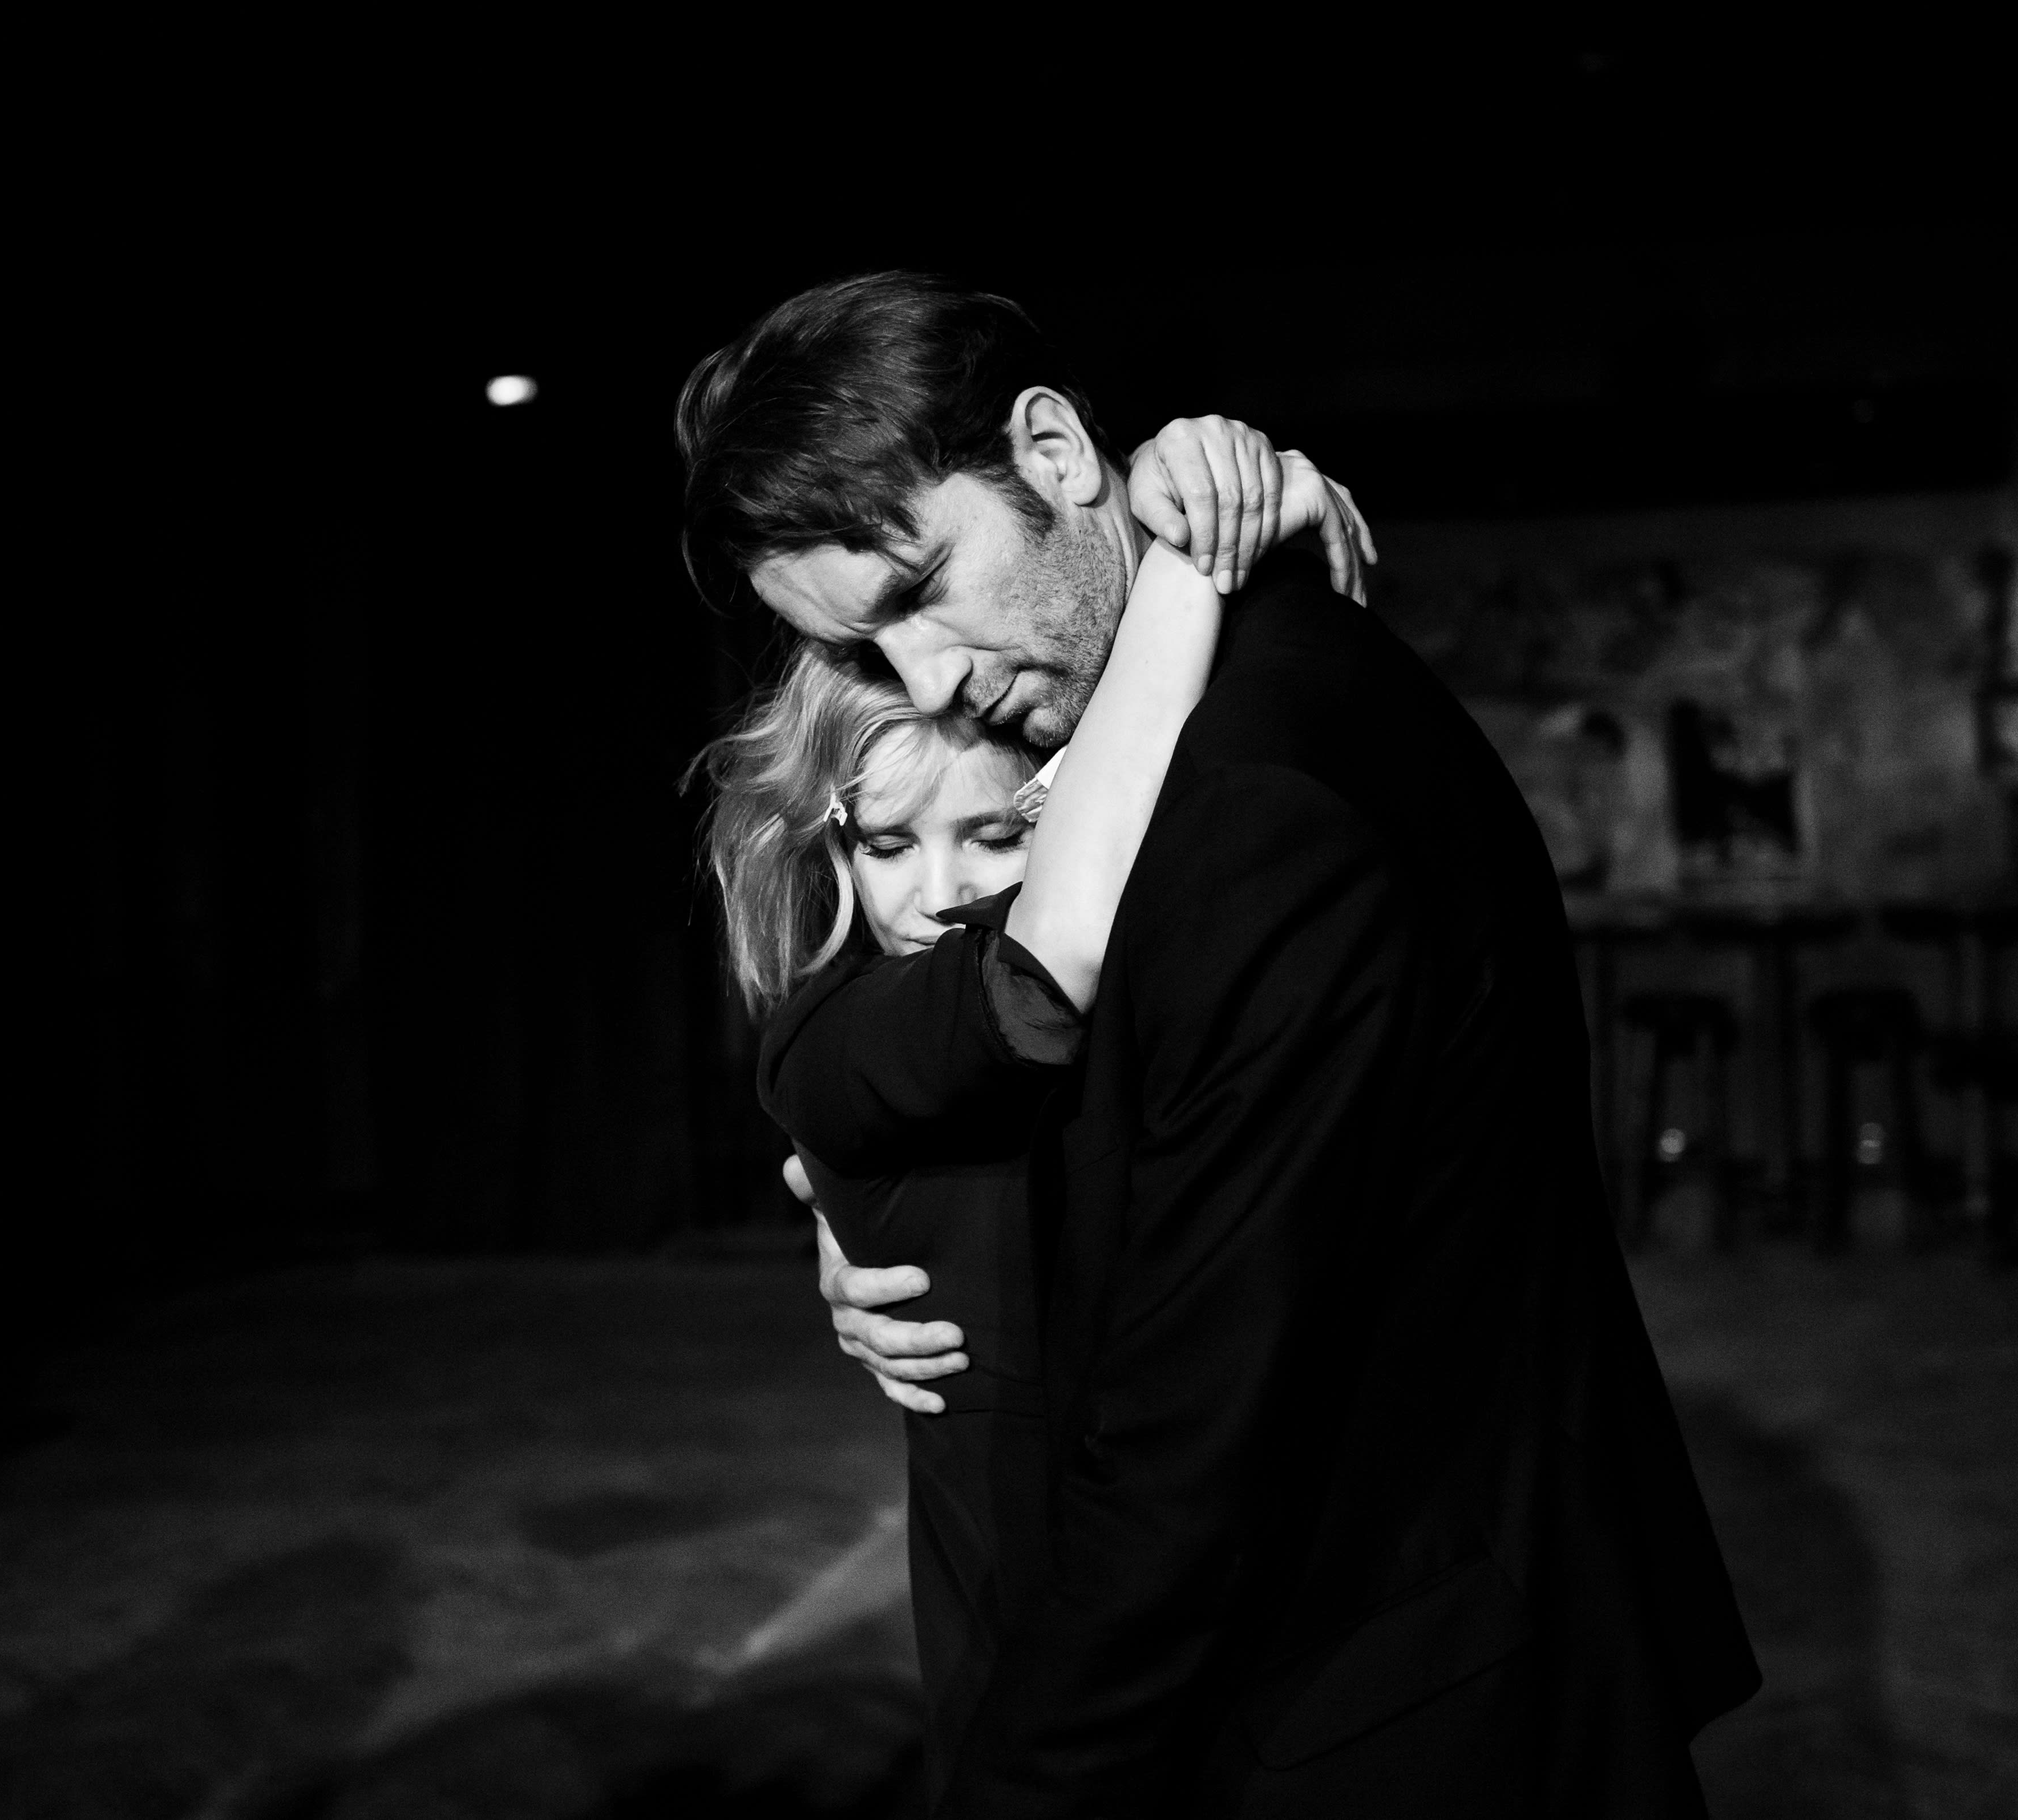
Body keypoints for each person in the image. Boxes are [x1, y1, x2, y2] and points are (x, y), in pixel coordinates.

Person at [679, 272, 1758, 1817]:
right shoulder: (1217, 697)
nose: (929, 683)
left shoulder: (1247, 798)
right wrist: (882, 1205)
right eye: (864, 650)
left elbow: (1199, 1419)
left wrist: (1033, 1787)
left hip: (1384, 1691)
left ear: (1056, 455)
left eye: (919, 590)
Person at [696, 418, 1354, 1806]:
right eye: (887, 843)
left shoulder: (1151, 970)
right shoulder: (825, 1041)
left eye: (993, 835)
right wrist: (1189, 551)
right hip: (1027, 1606)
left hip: (1214, 1575)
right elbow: (1036, 980)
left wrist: (1226, 495)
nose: (935, 893)